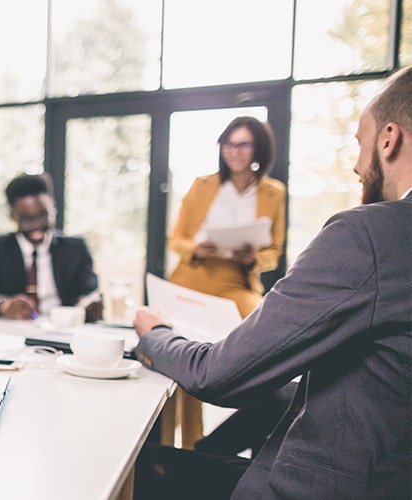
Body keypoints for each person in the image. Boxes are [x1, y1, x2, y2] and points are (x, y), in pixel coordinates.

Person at [132, 66, 412, 499]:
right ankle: (204, 444)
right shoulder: (202, 186)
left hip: (319, 483)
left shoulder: (371, 234)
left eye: (360, 142)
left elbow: (219, 376)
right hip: (385, 468)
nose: (357, 164)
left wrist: (154, 336)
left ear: (389, 139)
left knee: (135, 469)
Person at [166, 116, 287, 448]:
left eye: (243, 143)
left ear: (257, 148)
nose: (235, 151)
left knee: (265, 336)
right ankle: (192, 446)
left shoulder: (274, 193)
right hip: (192, 277)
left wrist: (254, 258)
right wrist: (196, 247)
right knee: (188, 352)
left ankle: (257, 425)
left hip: (236, 282)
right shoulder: (202, 185)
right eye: (229, 143)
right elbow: (175, 238)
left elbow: (274, 251)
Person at [0, 173, 102, 321]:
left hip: (63, 328)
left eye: (43, 216)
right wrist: (4, 304)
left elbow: (90, 291)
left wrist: (87, 305)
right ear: (12, 216)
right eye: (27, 219)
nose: (36, 225)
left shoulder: (75, 248)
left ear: (53, 209)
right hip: (13, 329)